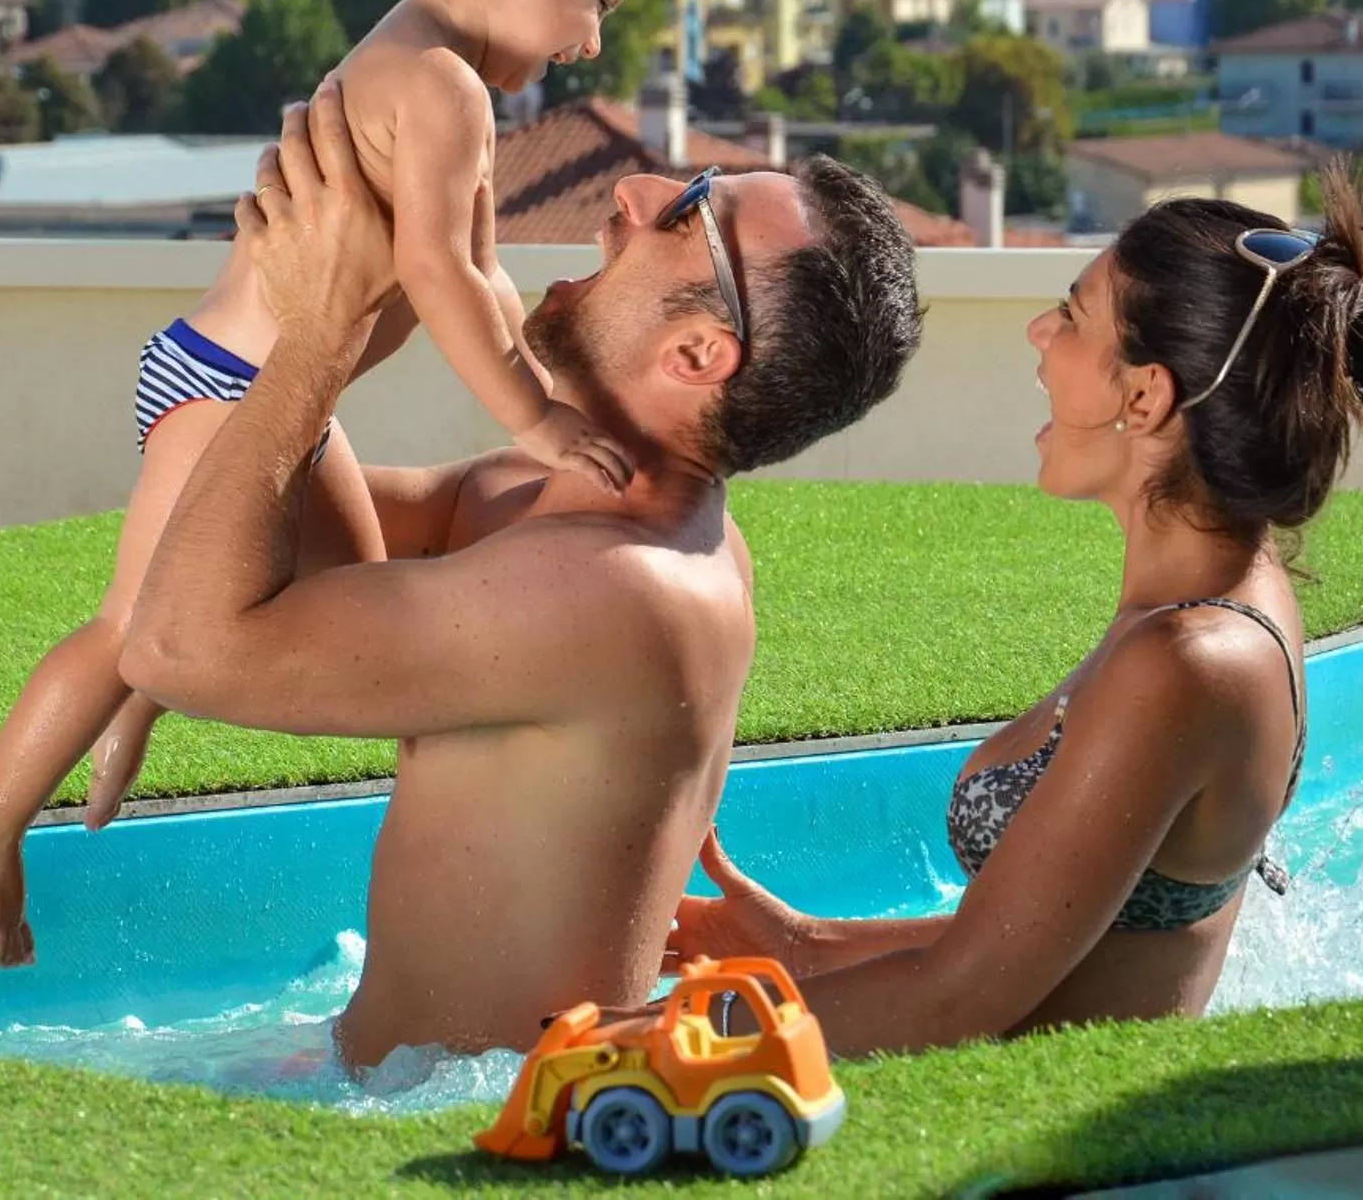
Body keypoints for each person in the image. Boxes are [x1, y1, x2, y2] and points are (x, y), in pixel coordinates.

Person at [0, 0, 656, 966]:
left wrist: (557, 379)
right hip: (232, 389)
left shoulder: (426, 64)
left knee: (351, 601)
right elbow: (431, 268)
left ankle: (141, 700)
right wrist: (531, 417)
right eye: (599, 2)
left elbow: (473, 270)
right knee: (135, 622)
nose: (590, 44)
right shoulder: (443, 89)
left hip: (268, 391)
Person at [121, 85, 923, 1068]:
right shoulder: (559, 493)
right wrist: (393, 271)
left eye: (687, 208)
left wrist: (323, 329)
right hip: (377, 1072)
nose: (634, 188)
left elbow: (180, 647)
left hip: (467, 1118)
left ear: (698, 351)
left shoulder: (620, 590)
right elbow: (236, 510)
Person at [666, 170, 1363, 1055]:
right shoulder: (1213, 603)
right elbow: (1046, 947)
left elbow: (955, 1002)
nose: (1038, 333)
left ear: (1143, 396)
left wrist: (643, 1039)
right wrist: (798, 947)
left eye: (1073, 316)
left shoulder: (1190, 659)